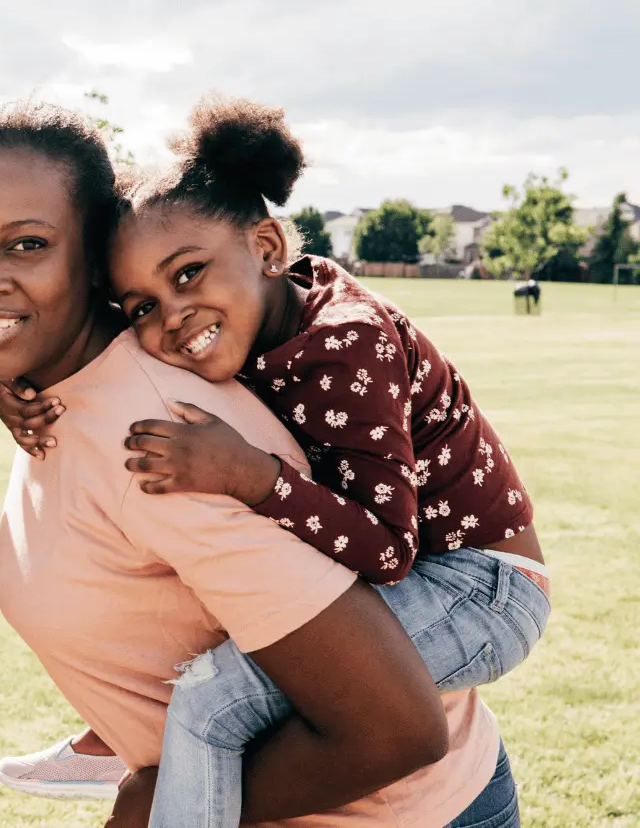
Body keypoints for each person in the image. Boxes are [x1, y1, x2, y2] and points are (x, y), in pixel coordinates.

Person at [0, 100, 523, 827]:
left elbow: (393, 716)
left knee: (212, 701)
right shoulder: (86, 380)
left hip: (460, 664)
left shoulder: (171, 436)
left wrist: (154, 808)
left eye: (26, 245)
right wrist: (4, 384)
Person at [99, 95, 550, 827]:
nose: (171, 314)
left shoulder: (345, 347)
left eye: (186, 274)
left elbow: (387, 548)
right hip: (447, 581)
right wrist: (22, 392)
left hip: (485, 589)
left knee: (216, 704)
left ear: (269, 249)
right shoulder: (260, 317)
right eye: (141, 306)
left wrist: (250, 475)